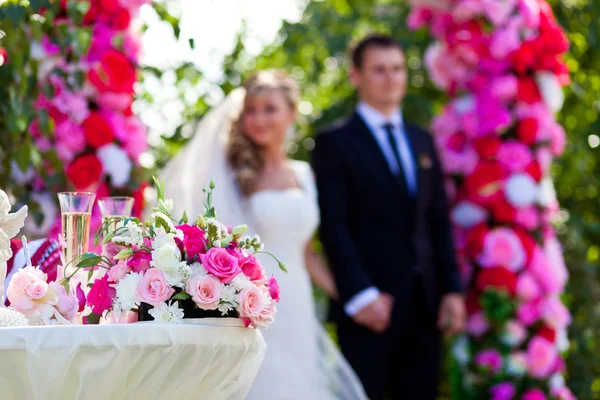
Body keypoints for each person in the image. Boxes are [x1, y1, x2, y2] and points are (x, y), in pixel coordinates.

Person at [161, 70, 367, 400]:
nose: (259, 119)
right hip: (252, 301)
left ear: (291, 113)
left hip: (298, 300)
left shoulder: (303, 174)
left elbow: (305, 251)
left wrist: (349, 297)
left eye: (269, 108)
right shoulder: (233, 177)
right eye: (252, 110)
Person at [311, 34, 467, 400]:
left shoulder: (422, 140)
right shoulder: (335, 142)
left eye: (397, 69)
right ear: (356, 76)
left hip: (425, 305)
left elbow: (438, 220)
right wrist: (360, 295)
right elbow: (333, 226)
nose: (391, 78)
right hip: (370, 308)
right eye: (379, 70)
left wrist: (452, 290)